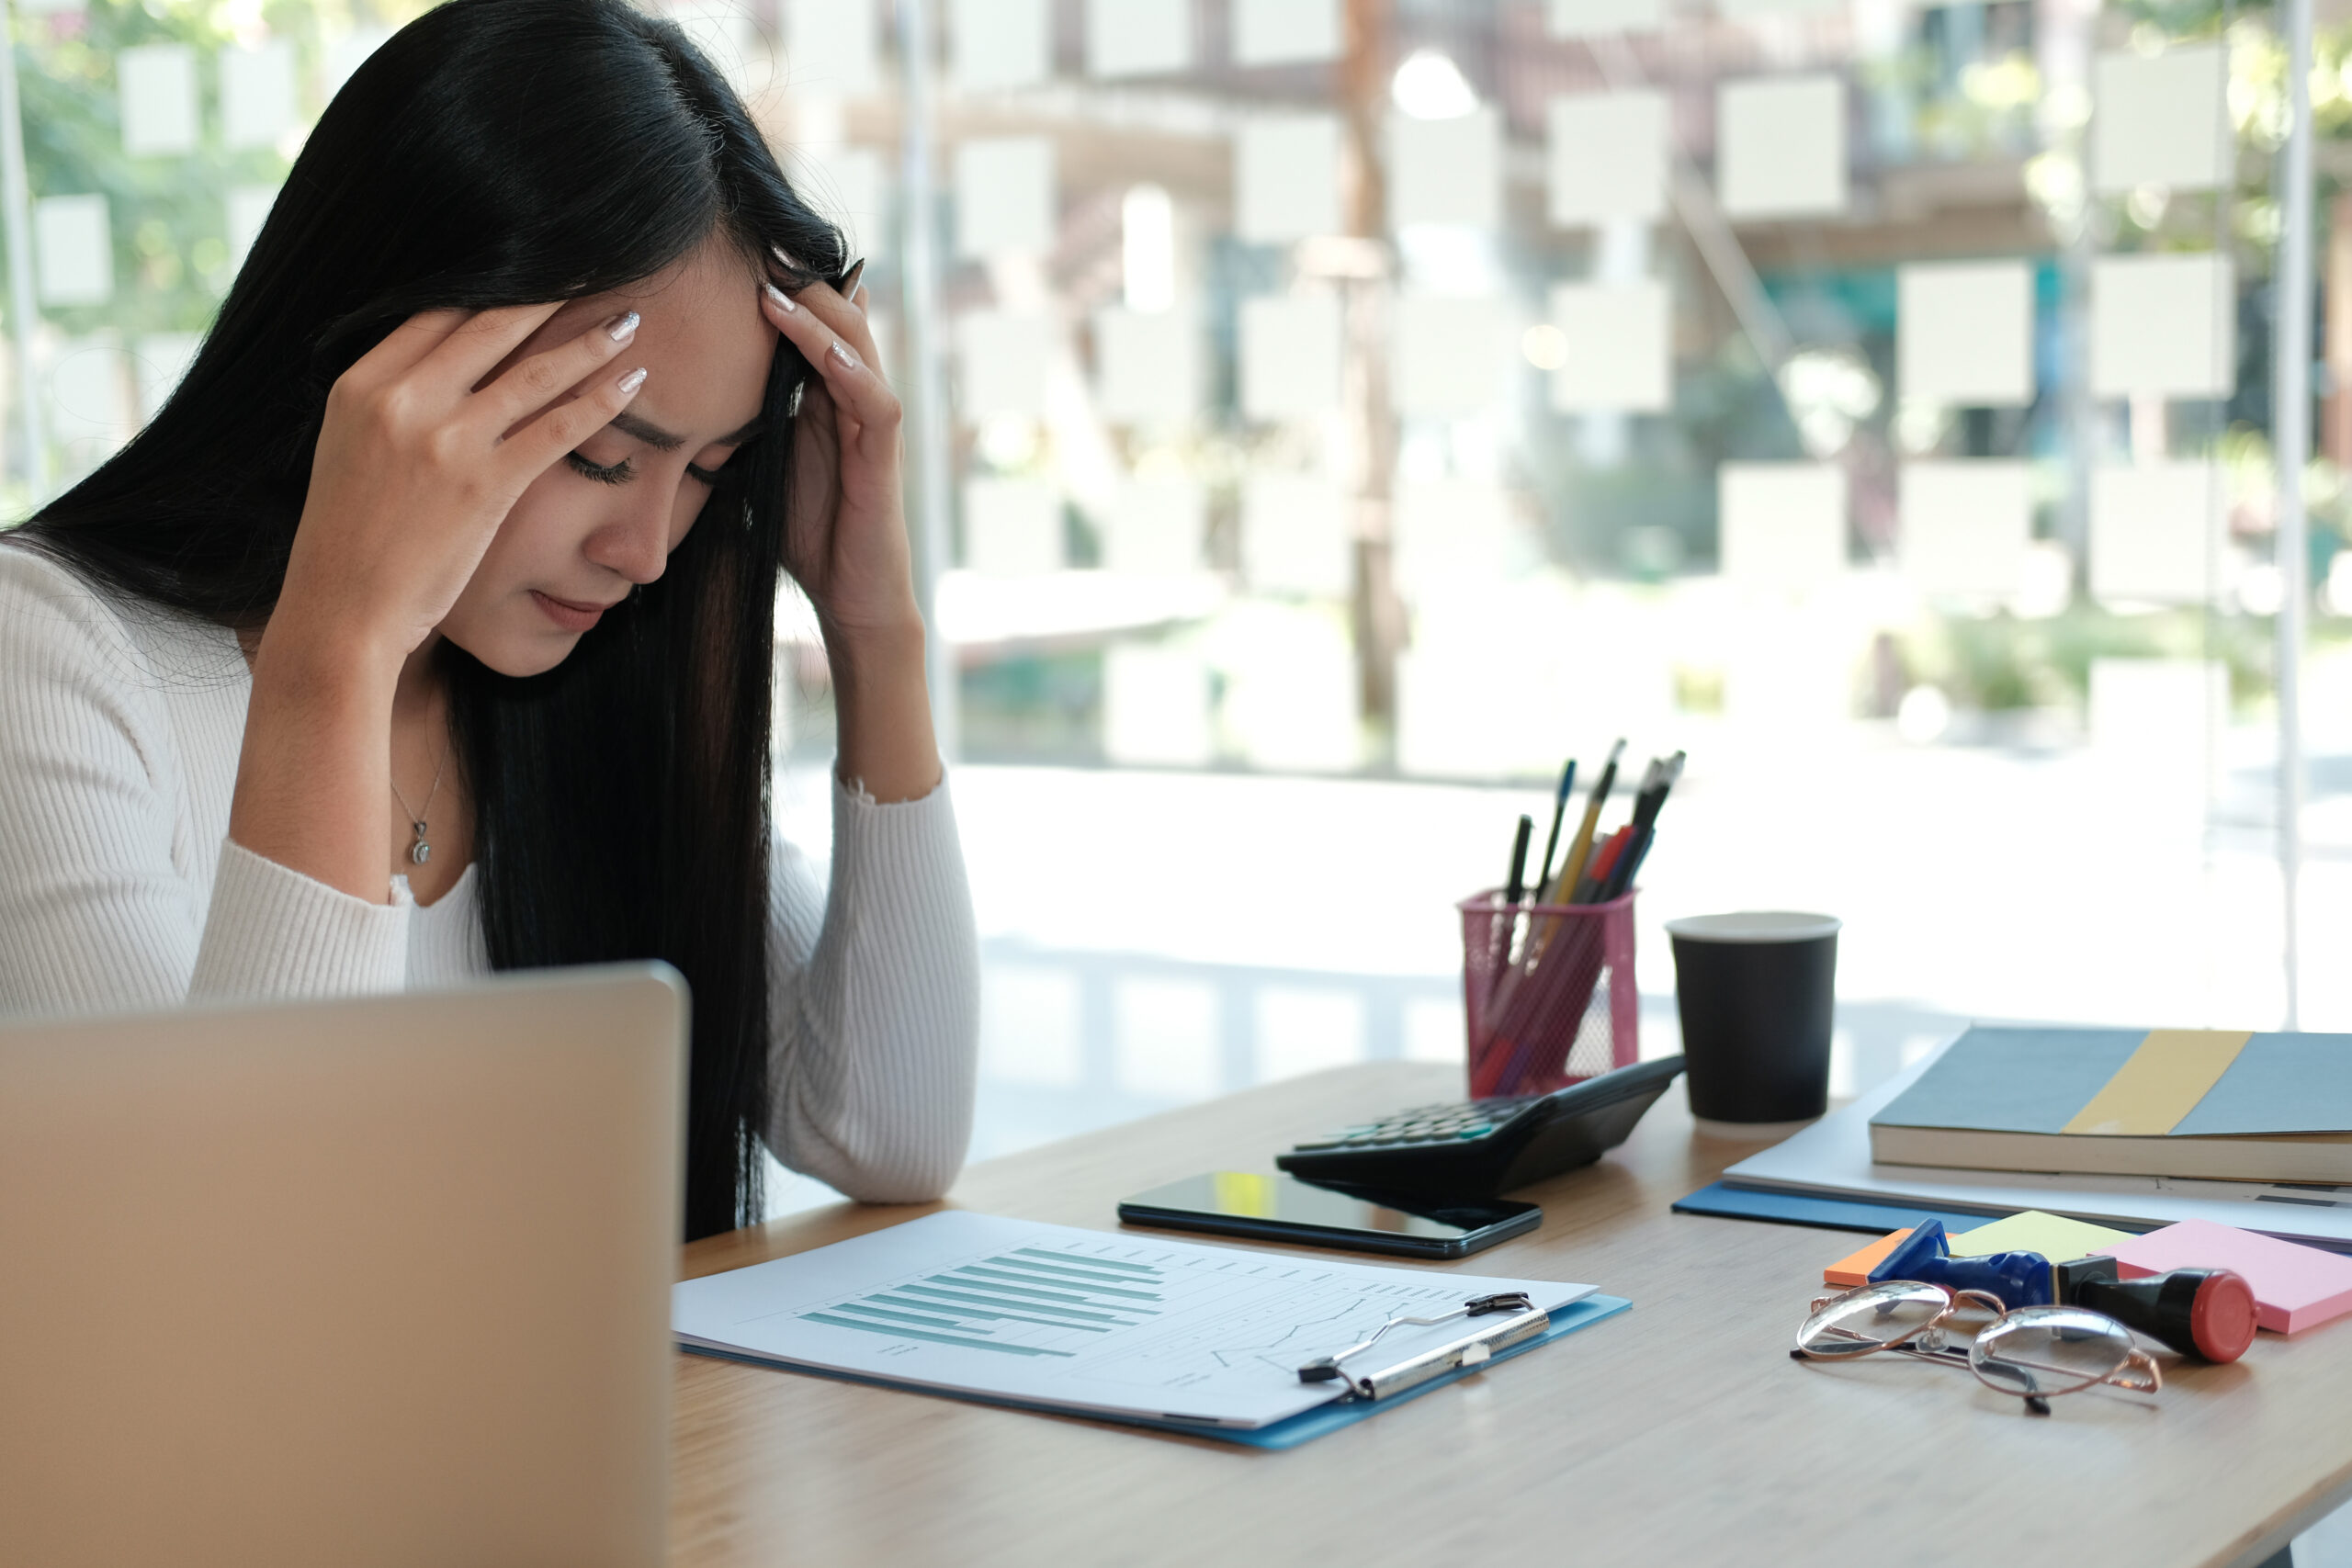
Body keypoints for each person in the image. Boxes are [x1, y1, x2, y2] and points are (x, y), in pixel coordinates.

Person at [0, 0, 978, 1241]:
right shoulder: (47, 651)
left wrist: (874, 624)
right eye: (607, 460)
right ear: (391, 385)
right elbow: (239, 1248)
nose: (647, 551)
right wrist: (338, 651)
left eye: (715, 473)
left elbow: (890, 1132)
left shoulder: (611, 671)